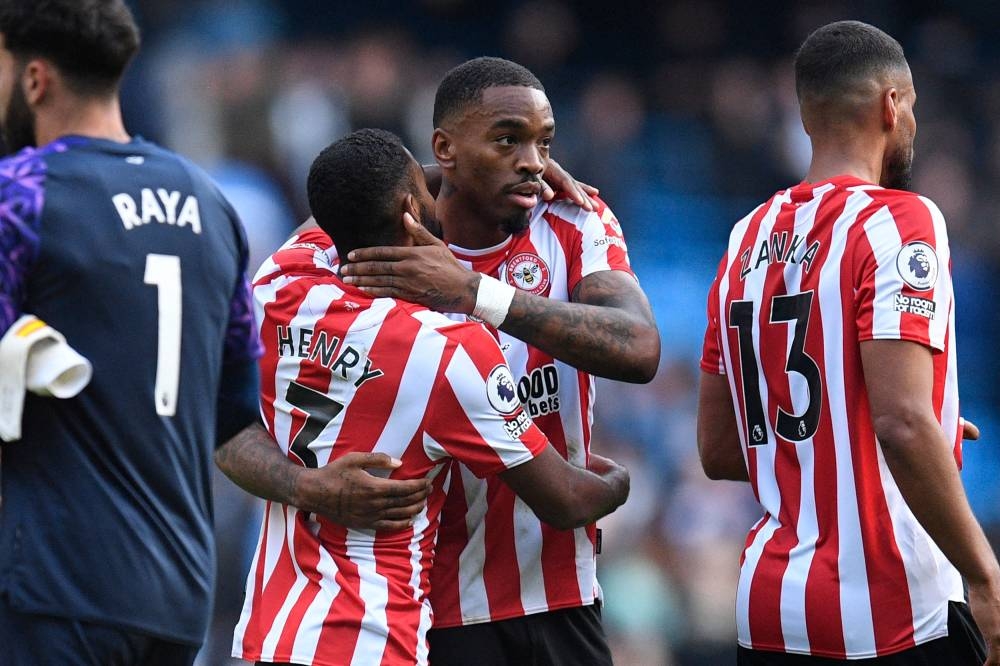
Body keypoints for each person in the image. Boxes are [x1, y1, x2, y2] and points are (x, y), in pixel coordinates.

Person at [0, 2, 427, 664]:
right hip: (173, 597)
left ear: (34, 79)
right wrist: (311, 487)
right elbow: (233, 423)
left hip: (50, 585)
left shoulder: (20, 197)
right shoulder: (208, 206)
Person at [219, 56, 660, 665]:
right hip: (425, 610)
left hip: (554, 593)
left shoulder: (574, 218)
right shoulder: (347, 245)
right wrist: (443, 175)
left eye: (543, 142)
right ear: (442, 150)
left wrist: (478, 292)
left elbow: (639, 349)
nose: (533, 161)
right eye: (508, 139)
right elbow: (353, 191)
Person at [696, 20, 1000, 664]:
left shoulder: (744, 238)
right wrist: (984, 573)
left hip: (769, 608)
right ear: (894, 106)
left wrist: (857, 427)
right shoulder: (901, 220)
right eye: (912, 106)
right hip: (890, 607)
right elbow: (902, 423)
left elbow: (721, 449)